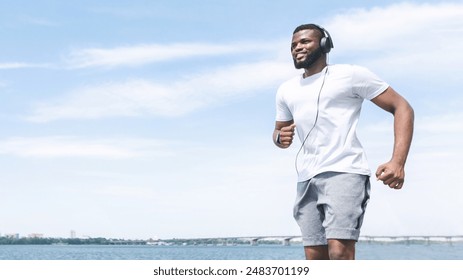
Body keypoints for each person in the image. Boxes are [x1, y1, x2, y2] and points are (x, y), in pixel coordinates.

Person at [273, 24, 414, 260]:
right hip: (306, 178)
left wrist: (397, 162)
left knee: (339, 252)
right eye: (293, 45)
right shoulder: (286, 90)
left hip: (345, 171)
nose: (298, 47)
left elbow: (402, 107)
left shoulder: (350, 75)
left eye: (305, 41)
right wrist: (280, 138)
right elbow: (279, 133)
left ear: (325, 44)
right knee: (315, 257)